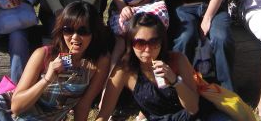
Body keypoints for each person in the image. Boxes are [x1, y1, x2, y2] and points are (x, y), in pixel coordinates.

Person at [0, 1, 110, 121]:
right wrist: (47, 78)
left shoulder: (97, 62)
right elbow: (16, 106)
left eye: (83, 31)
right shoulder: (44, 55)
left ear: (94, 32)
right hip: (4, 113)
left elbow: (83, 105)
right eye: (68, 30)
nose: (75, 37)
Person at [96, 12, 230, 121]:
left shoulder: (177, 60)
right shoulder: (125, 70)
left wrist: (175, 81)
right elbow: (104, 114)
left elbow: (193, 108)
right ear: (131, 44)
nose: (147, 49)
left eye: (154, 42)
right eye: (140, 43)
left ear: (161, 42)